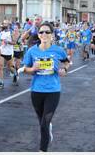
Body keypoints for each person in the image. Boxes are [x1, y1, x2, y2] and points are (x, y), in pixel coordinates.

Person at [18, 22, 70, 152]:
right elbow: (25, 69)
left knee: (44, 123)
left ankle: (43, 150)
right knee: (42, 121)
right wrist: (33, 69)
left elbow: (66, 63)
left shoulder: (58, 50)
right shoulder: (32, 51)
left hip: (53, 90)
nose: (44, 34)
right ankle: (47, 130)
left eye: (47, 32)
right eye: (41, 32)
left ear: (52, 35)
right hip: (36, 90)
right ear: (38, 35)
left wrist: (65, 70)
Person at [0, 19, 18, 89]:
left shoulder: (11, 32)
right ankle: (1, 83)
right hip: (1, 52)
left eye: (6, 23)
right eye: (4, 23)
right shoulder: (0, 32)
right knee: (0, 67)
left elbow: (14, 42)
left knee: (10, 67)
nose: (4, 24)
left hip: (9, 53)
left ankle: (15, 73)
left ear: (9, 25)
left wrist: (7, 42)